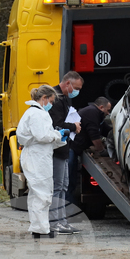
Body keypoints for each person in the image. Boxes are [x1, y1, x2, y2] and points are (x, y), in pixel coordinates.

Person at [17, 85, 66, 239]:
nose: (51, 104)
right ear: (44, 98)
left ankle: (38, 227)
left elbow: (41, 137)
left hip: (36, 155)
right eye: (50, 100)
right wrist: (58, 135)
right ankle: (41, 229)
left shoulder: (32, 113)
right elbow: (43, 136)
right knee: (43, 193)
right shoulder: (38, 114)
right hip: (37, 158)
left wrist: (57, 137)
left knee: (36, 193)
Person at [47, 71, 83, 234]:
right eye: (75, 88)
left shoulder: (65, 98)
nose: (77, 91)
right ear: (67, 83)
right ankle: (55, 221)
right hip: (56, 148)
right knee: (57, 186)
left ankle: (62, 220)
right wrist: (73, 126)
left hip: (63, 147)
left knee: (63, 186)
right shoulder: (55, 99)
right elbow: (57, 124)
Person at [68, 97, 112, 202]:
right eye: (108, 110)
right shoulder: (92, 113)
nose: (109, 113)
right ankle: (67, 206)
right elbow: (94, 135)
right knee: (69, 178)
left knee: (72, 177)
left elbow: (105, 129)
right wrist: (102, 151)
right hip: (71, 148)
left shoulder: (97, 115)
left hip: (75, 148)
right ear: (101, 107)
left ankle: (68, 204)